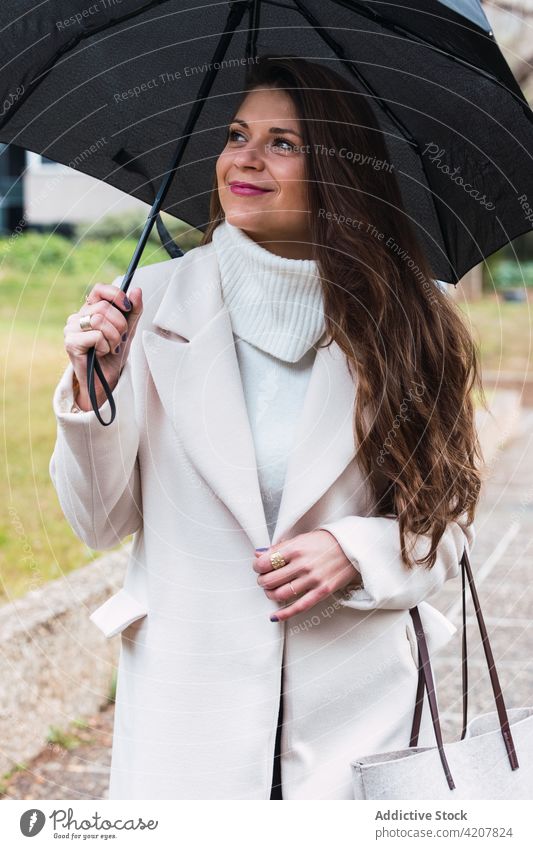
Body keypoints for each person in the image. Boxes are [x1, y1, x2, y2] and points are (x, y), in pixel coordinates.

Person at [49, 55, 482, 800]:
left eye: (283, 142)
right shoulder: (146, 307)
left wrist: (354, 550)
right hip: (189, 719)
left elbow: (446, 522)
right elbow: (96, 522)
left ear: (342, 172)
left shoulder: (404, 322)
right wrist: (96, 393)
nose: (245, 159)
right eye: (236, 134)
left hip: (351, 717)